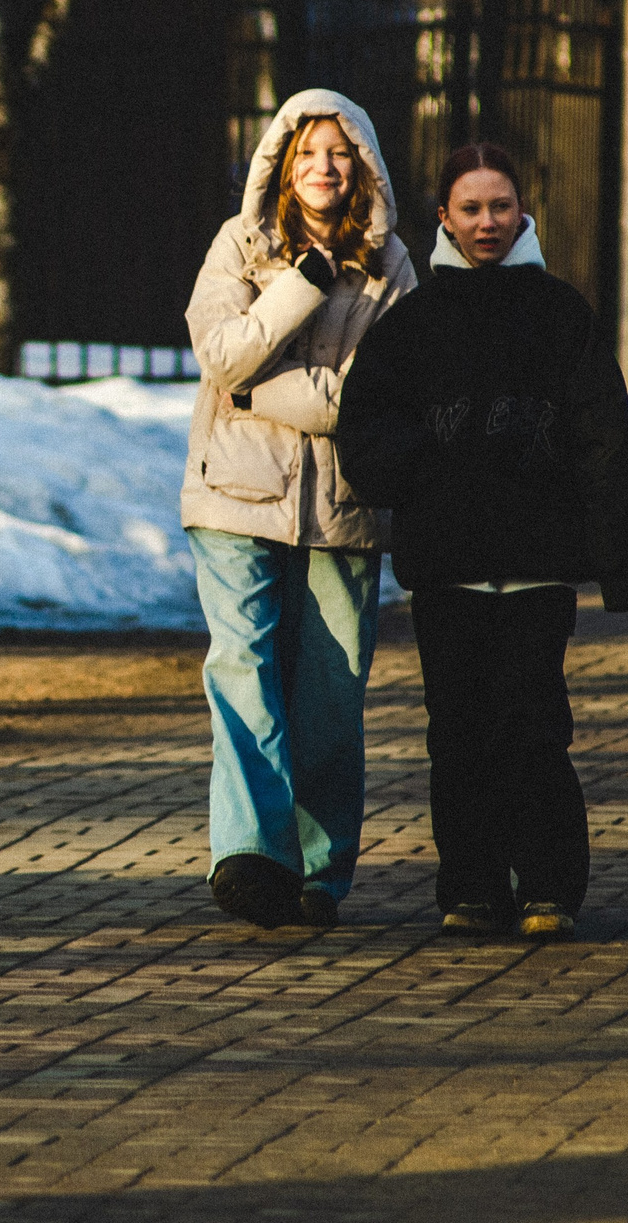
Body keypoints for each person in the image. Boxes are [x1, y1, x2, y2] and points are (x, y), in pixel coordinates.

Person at [334, 143, 628, 941]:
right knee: (459, 733)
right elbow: (366, 427)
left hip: (540, 568)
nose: (487, 223)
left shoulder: (559, 313)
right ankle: (471, 886)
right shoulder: (413, 324)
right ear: (443, 216)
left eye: (501, 207)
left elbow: (603, 435)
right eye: (470, 209)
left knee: (534, 727)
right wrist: (422, 469)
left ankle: (550, 885)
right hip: (448, 570)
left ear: (524, 212)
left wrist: (618, 555)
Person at [183, 89, 414, 929]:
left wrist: (259, 386)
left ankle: (319, 870)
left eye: (339, 153)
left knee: (327, 695)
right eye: (307, 151)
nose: (322, 167)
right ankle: (251, 857)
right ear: (281, 161)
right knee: (243, 668)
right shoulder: (241, 246)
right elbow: (219, 352)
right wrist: (306, 285)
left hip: (346, 508)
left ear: (363, 167)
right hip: (234, 495)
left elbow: (377, 396)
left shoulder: (393, 269)